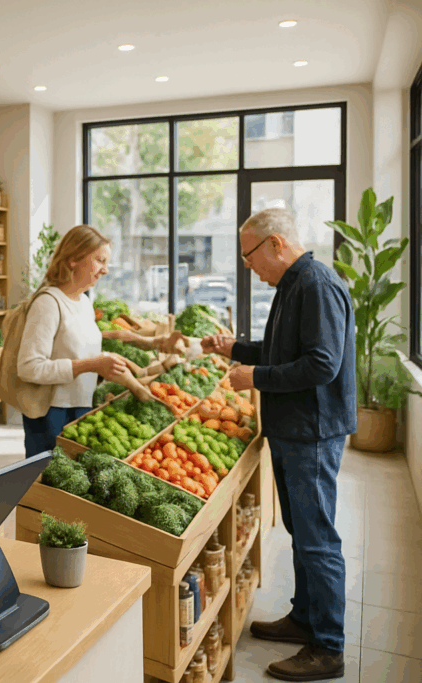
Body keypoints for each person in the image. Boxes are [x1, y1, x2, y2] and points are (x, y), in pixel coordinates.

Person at [202, 208, 355, 682]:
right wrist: (234, 349)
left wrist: (257, 376)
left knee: (317, 539)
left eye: (250, 257)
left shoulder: (315, 285)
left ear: (275, 244)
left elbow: (321, 365)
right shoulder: (292, 285)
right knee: (302, 532)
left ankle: (327, 647)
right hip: (294, 431)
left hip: (312, 432)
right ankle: (305, 618)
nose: (249, 267)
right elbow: (282, 351)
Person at [16, 225, 129, 458]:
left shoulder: (84, 302)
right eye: (100, 261)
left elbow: (78, 347)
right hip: (51, 415)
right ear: (73, 259)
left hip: (81, 408)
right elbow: (29, 368)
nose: (105, 270)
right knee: (48, 491)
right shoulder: (47, 303)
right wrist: (91, 365)